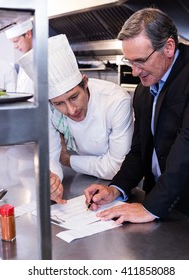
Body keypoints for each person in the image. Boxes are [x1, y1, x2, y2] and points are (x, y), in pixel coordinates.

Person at [84, 8, 189, 238]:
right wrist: (116, 188)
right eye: (130, 62)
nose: (134, 72)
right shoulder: (144, 88)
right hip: (163, 210)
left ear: (169, 48)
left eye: (140, 61)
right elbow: (140, 149)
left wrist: (151, 207)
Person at [19, 34, 134, 204]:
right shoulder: (48, 109)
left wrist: (67, 159)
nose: (71, 110)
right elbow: (51, 156)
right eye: (59, 103)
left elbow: (118, 167)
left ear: (85, 83)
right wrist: (53, 182)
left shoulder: (115, 101)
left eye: (74, 97)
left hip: (119, 188)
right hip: (84, 182)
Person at [5, 19, 34, 94]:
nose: (15, 46)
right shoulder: (25, 59)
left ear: (28, 34)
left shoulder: (43, 57)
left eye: (16, 41)